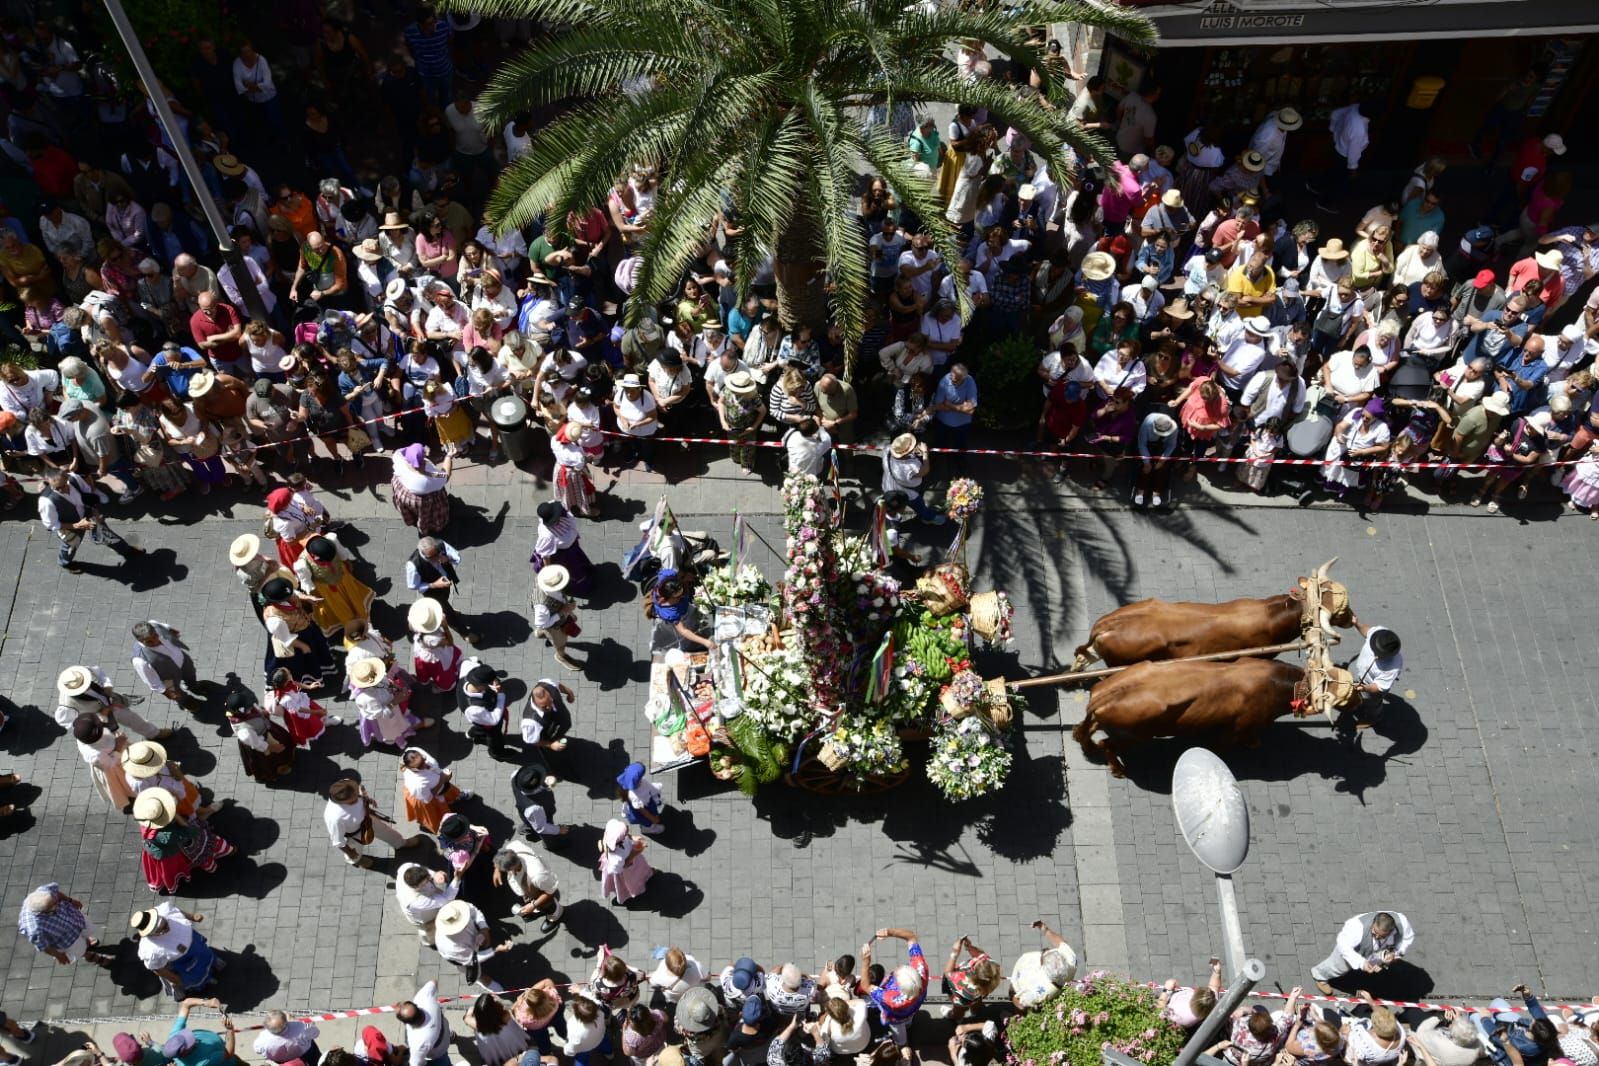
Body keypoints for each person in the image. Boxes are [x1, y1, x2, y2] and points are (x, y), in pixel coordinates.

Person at [131, 787, 235, 894]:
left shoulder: (147, 823)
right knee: (201, 848)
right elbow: (190, 832)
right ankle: (223, 854)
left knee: (168, 869)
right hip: (171, 853)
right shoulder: (167, 834)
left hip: (158, 851)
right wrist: (176, 816)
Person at [38, 468, 143, 572]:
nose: (62, 490)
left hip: (88, 515)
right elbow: (51, 524)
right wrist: (76, 526)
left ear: (67, 478)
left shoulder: (74, 478)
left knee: (107, 534)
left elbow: (88, 494)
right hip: (69, 526)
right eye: (57, 488)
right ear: (49, 483)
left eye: (64, 486)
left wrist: (95, 511)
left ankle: (126, 550)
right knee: (69, 547)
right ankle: (65, 563)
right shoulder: (46, 501)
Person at [1310, 910, 1415, 993]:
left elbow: (1407, 939)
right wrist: (1361, 963)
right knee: (1339, 966)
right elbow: (1343, 945)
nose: (1377, 937)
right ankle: (1320, 976)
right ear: (1373, 922)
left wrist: (1396, 953)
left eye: (1382, 936)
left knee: (1377, 963)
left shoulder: (1403, 923)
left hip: (1378, 951)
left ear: (1391, 930)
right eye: (1374, 932)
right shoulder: (1356, 927)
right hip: (1353, 949)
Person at [326, 777, 422, 867]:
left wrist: (367, 800)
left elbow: (359, 794)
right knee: (355, 849)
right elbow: (338, 841)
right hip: (355, 834)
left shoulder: (346, 784)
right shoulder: (334, 818)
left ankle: (401, 843)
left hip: (368, 819)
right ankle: (357, 860)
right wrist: (350, 852)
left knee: (387, 832)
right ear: (343, 802)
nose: (357, 798)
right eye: (353, 800)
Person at [405, 536, 481, 645]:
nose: (436, 559)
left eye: (437, 554)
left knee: (446, 598)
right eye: (431, 557)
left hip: (446, 582)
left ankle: (445, 610)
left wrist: (447, 559)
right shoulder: (413, 565)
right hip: (431, 591)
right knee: (448, 612)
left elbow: (457, 557)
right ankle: (465, 633)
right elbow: (412, 586)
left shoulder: (440, 545)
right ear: (423, 554)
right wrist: (434, 585)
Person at [294, 533, 373, 638]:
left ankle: (361, 616)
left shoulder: (331, 540)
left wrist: (348, 563)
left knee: (353, 596)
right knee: (340, 606)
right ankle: (352, 625)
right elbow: (307, 583)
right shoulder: (302, 564)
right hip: (327, 589)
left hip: (343, 578)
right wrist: (312, 595)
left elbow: (343, 555)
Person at [861, 926, 927, 1046]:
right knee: (909, 1019)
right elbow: (911, 937)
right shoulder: (921, 970)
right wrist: (890, 932)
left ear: (900, 987)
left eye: (897, 975)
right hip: (913, 1007)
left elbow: (865, 986)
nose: (897, 969)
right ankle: (909, 1024)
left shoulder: (892, 999)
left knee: (899, 1032)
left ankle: (901, 1044)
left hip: (896, 1018)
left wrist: (866, 961)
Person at [18, 884, 111, 967]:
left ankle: (86, 941)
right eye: (53, 905)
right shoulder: (35, 928)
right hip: (66, 940)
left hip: (74, 918)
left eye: (54, 900)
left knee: (87, 930)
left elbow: (57, 894)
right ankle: (89, 956)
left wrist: (70, 900)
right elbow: (44, 946)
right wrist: (58, 955)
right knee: (79, 950)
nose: (57, 903)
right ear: (42, 912)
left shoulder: (44, 892)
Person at [129, 621, 208, 713]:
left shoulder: (154, 625)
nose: (155, 642)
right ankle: (187, 702)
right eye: (149, 641)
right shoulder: (139, 660)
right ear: (139, 641)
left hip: (182, 660)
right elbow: (153, 682)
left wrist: (171, 631)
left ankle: (192, 687)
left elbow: (163, 626)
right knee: (178, 695)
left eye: (155, 636)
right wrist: (167, 693)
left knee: (190, 675)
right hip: (167, 679)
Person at [223, 689, 295, 782]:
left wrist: (262, 712)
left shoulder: (245, 709)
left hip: (265, 729)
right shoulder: (244, 731)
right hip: (260, 741)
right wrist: (270, 747)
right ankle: (279, 769)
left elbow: (254, 708)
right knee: (271, 758)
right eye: (248, 707)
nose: (251, 705)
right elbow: (256, 743)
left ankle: (284, 762)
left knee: (284, 740)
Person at [492, 839, 564, 931]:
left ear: (512, 868)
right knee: (530, 901)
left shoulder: (537, 875)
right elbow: (501, 857)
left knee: (548, 906)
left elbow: (550, 892)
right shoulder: (512, 847)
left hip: (542, 889)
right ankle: (538, 910)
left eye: (504, 871)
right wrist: (497, 869)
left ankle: (555, 916)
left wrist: (533, 905)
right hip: (530, 889)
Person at [1009, 919, 1079, 1009]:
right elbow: (1061, 943)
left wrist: (1013, 995)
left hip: (1038, 1003)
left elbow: (1021, 1005)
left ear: (1045, 970)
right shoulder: (1070, 962)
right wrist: (1044, 929)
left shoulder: (1038, 994)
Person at [531, 501, 593, 597]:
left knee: (579, 562)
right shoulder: (546, 536)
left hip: (572, 547)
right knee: (574, 571)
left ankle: (586, 572)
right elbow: (546, 555)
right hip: (564, 555)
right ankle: (581, 588)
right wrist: (549, 571)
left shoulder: (560, 512)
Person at [400, 746, 468, 834]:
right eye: (420, 766)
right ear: (413, 769)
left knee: (448, 790)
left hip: (439, 786)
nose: (425, 764)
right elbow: (429, 798)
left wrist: (442, 776)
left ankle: (454, 798)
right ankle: (442, 828)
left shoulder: (412, 751)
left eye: (423, 759)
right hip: (424, 799)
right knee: (436, 816)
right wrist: (442, 780)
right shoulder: (418, 785)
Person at [391, 444, 454, 536]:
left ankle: (411, 518)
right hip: (423, 499)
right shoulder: (429, 478)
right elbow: (445, 476)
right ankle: (428, 527)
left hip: (402, 488)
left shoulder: (398, 457)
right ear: (422, 461)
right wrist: (449, 456)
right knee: (427, 514)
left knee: (408, 508)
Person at [408, 596, 465, 692]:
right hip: (437, 657)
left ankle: (429, 680)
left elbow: (410, 626)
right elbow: (450, 643)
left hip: (421, 651)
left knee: (426, 671)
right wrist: (446, 627)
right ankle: (444, 686)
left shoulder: (415, 623)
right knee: (443, 673)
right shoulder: (433, 639)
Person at [533, 564, 581, 669]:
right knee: (561, 642)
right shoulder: (542, 607)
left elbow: (560, 598)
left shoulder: (543, 578)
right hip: (554, 626)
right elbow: (542, 623)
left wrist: (569, 611)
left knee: (542, 628)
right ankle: (560, 656)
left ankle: (539, 633)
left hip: (553, 615)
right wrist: (562, 612)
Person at [396, 980, 453, 1066]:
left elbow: (416, 1064)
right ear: (416, 1006)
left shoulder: (418, 1042)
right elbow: (433, 982)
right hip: (444, 1032)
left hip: (438, 1054)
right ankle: (451, 1036)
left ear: (406, 1023)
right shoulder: (424, 998)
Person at [458, 661, 510, 756]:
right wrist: (501, 695)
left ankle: (471, 734)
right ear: (483, 685)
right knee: (495, 738)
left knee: (479, 728)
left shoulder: (467, 676)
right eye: (490, 682)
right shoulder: (475, 709)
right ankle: (497, 753)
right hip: (488, 722)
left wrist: (494, 682)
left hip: (479, 719)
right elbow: (494, 719)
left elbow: (467, 662)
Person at [598, 817, 653, 904]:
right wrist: (637, 851)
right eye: (624, 833)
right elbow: (625, 864)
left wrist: (633, 838)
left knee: (641, 869)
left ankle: (646, 875)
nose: (627, 828)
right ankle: (628, 894)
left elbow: (626, 836)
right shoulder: (616, 858)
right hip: (626, 871)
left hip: (630, 861)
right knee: (632, 881)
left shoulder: (611, 835)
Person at [253, 1012, 321, 1066]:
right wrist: (294, 1021)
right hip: (307, 1054)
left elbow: (257, 1050)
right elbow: (316, 1032)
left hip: (284, 1061)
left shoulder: (261, 1041)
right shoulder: (301, 1027)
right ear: (286, 1022)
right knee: (316, 1062)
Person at [616, 761, 665, 835]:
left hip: (645, 803)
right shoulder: (634, 796)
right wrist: (653, 819)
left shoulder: (637, 783)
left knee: (651, 815)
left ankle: (649, 824)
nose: (642, 778)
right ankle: (647, 829)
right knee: (647, 821)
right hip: (642, 809)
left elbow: (648, 787)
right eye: (641, 777)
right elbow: (643, 811)